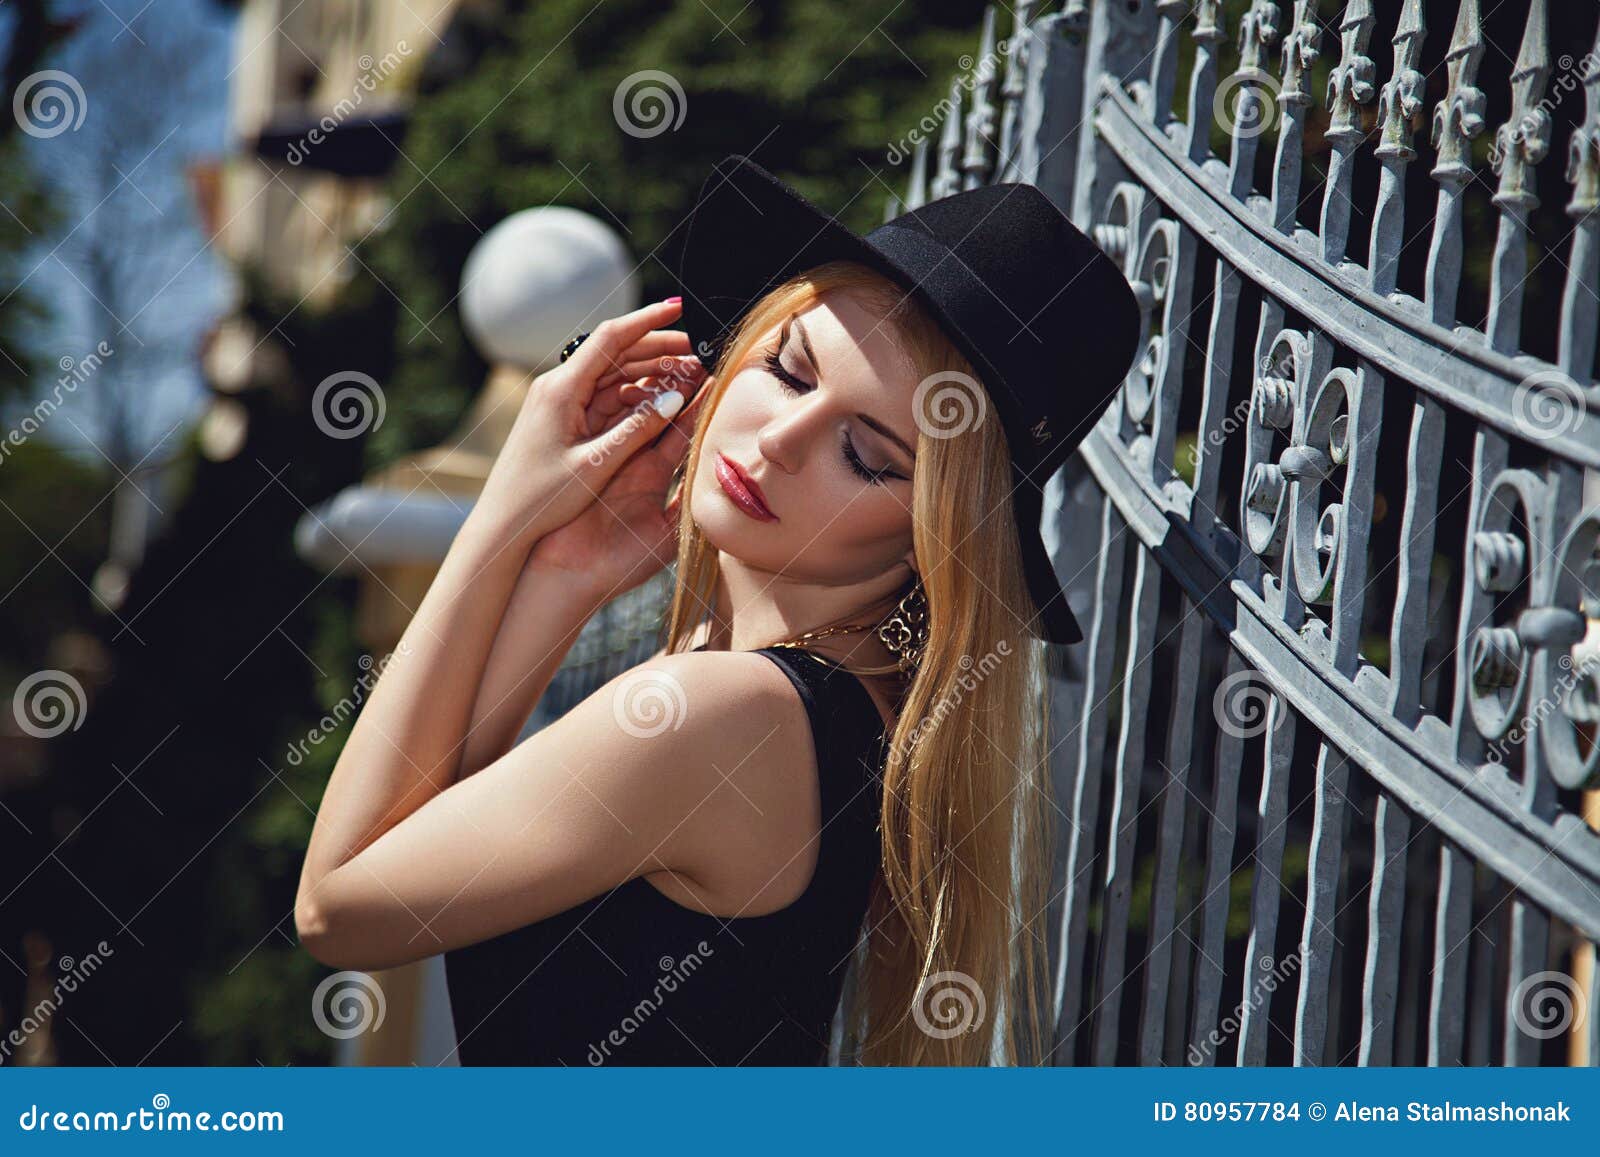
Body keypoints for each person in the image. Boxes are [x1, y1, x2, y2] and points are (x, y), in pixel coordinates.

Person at [294, 154, 1140, 1066]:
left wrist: (506, 511)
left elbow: (338, 907)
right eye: (790, 369)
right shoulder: (842, 704)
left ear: (931, 538)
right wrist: (564, 573)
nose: (780, 439)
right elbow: (440, 835)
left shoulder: (724, 717)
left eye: (869, 456)